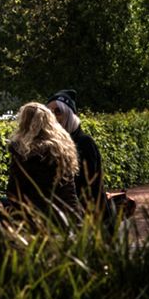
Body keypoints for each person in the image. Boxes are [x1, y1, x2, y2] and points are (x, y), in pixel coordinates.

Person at [2, 101, 81, 223]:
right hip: (66, 213)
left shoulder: (23, 152)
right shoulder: (63, 148)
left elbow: (14, 191)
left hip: (34, 216)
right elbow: (69, 189)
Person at [47, 90, 116, 229]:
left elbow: (89, 183)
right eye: (49, 112)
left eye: (58, 111)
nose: (53, 117)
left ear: (69, 115)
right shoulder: (49, 144)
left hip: (90, 217)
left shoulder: (84, 143)